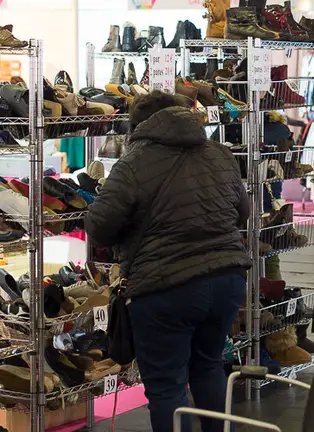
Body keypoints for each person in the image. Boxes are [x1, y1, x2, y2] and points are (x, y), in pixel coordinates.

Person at [85, 91, 251, 432]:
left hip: (164, 287)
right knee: (208, 367)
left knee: (167, 386)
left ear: (139, 125)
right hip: (226, 278)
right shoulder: (220, 154)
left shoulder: (133, 163)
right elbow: (242, 213)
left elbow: (100, 228)